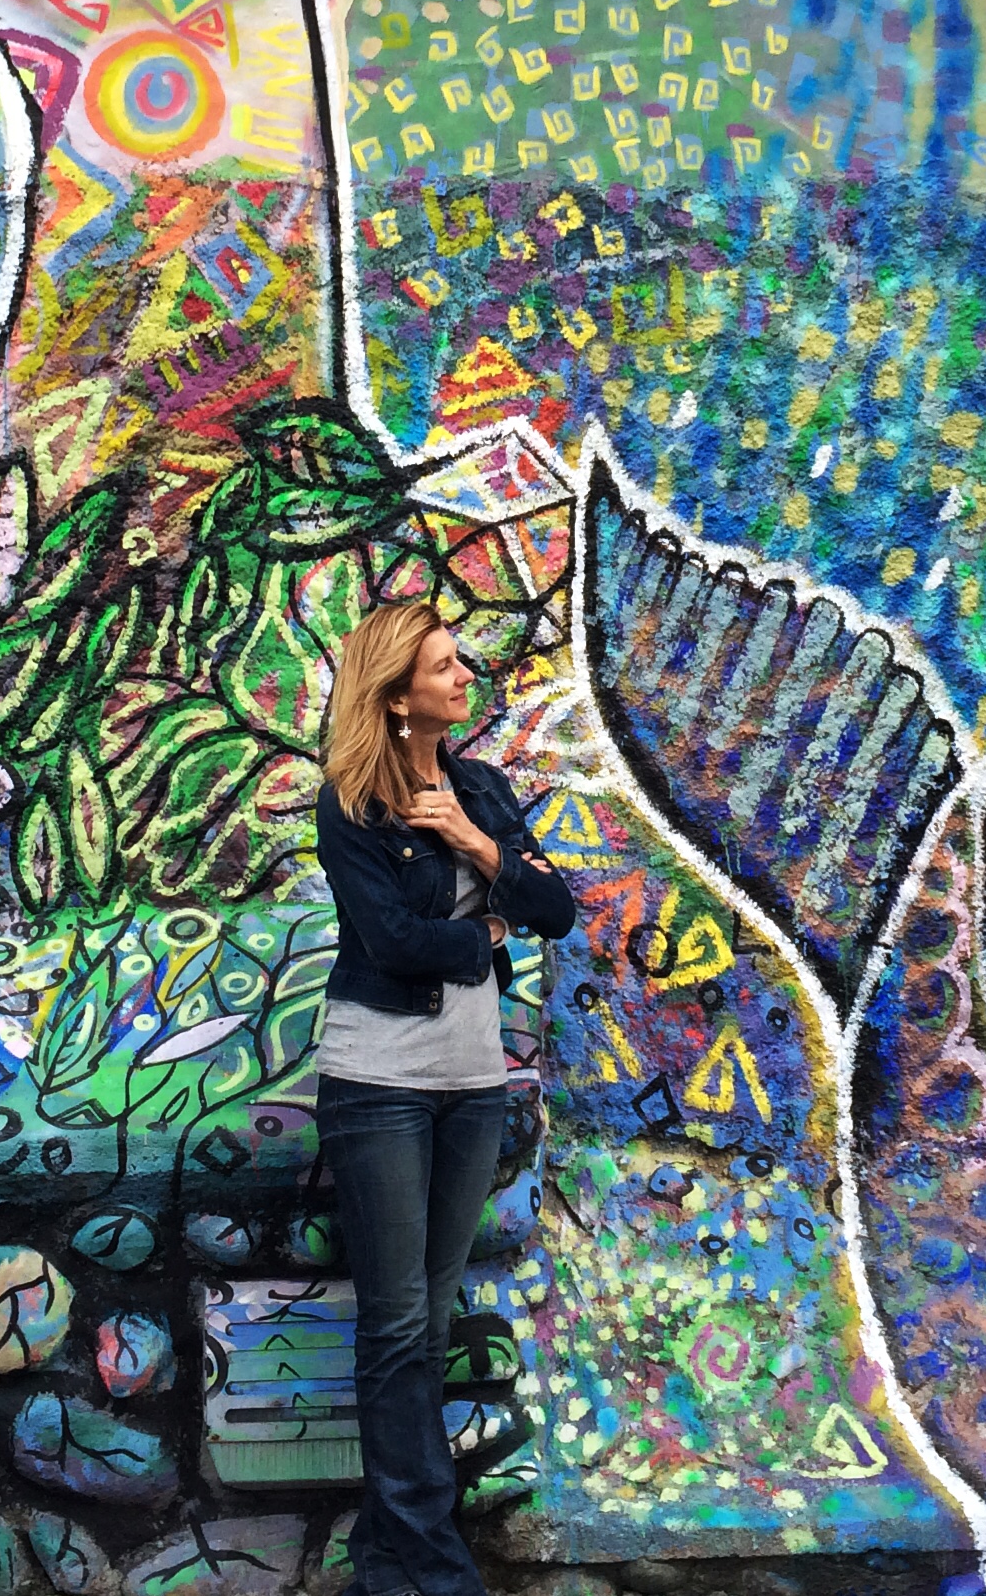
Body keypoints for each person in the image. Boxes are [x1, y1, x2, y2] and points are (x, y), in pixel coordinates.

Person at [314, 600, 577, 1596]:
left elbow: (555, 906)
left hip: (473, 1084)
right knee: (393, 1327)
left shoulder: (481, 790)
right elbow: (392, 942)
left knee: (426, 1321)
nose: (466, 675)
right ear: (396, 696)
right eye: (443, 665)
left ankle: (388, 1562)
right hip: (378, 1081)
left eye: (459, 660)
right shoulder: (351, 803)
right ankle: (433, 1563)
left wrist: (475, 840)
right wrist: (487, 936)